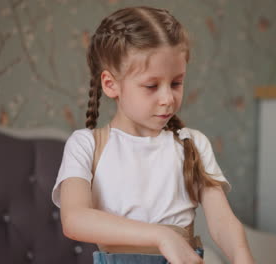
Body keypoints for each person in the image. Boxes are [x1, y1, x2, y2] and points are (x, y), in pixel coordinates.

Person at [51, 6, 254, 264]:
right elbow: (75, 219)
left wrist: (242, 256)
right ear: (111, 84)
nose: (168, 98)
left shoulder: (192, 143)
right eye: (151, 85)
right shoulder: (85, 145)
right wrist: (161, 236)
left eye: (176, 83)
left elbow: (222, 221)